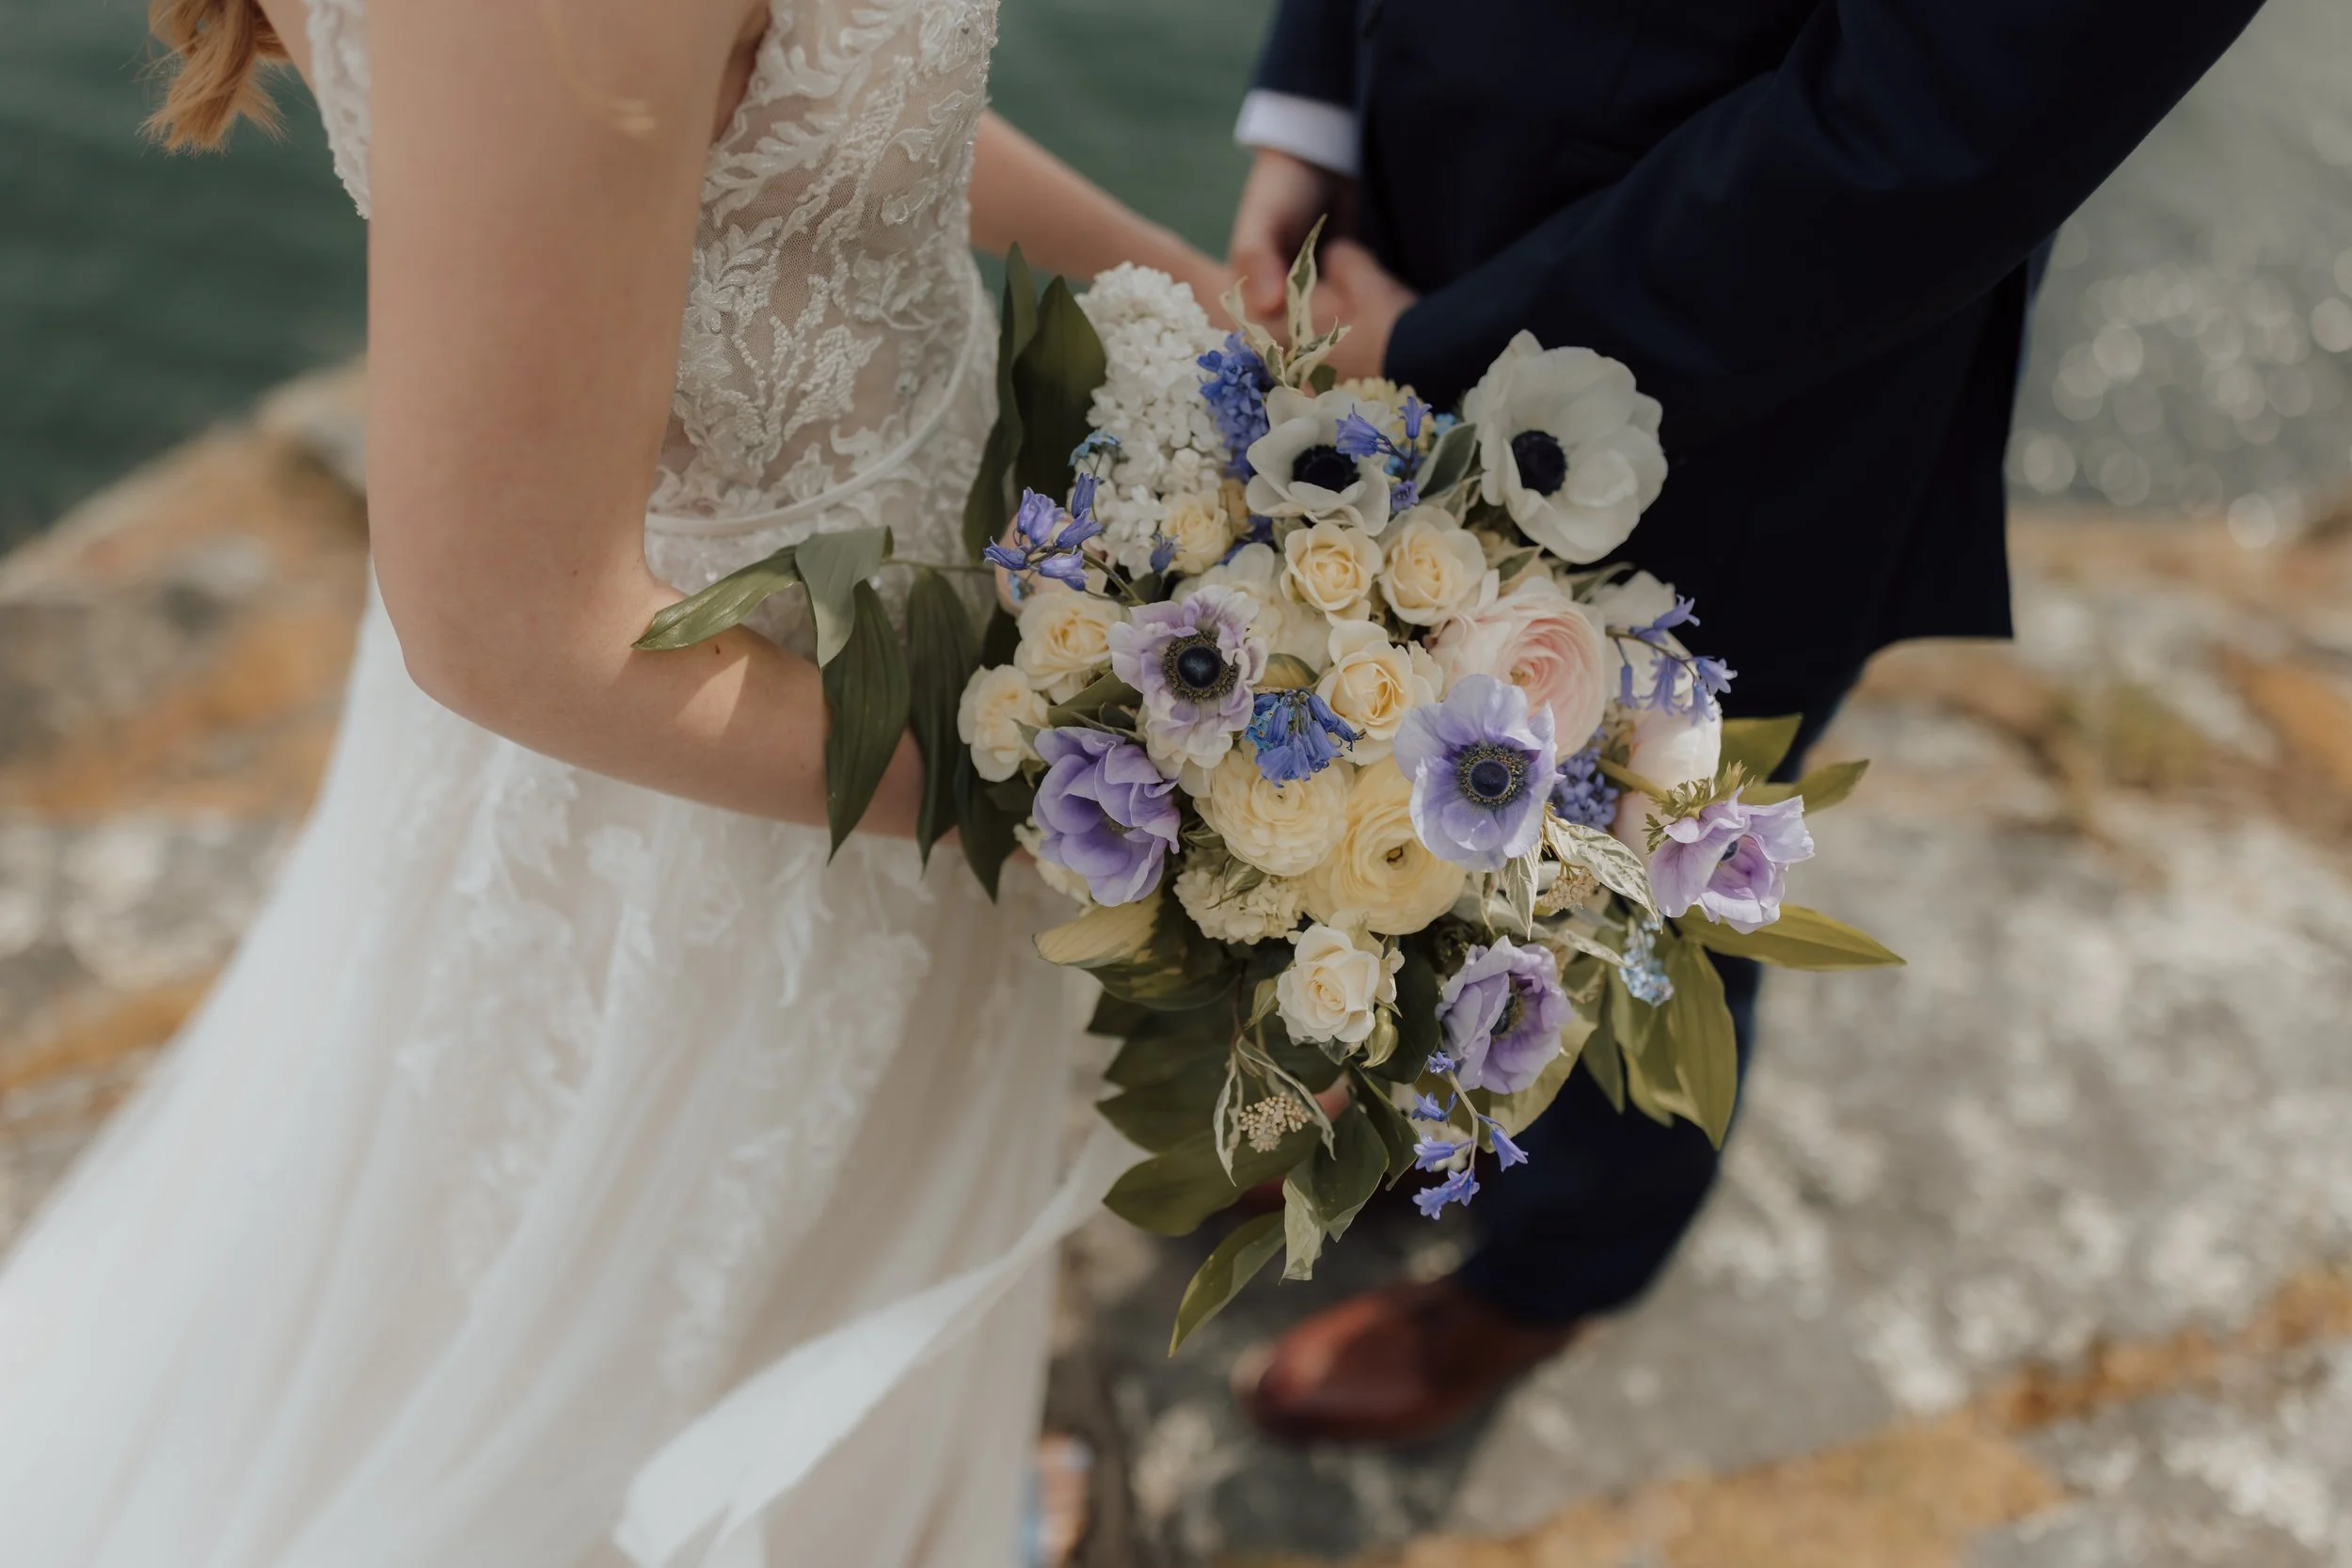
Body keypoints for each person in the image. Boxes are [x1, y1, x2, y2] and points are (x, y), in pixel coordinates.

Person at [0, 1, 1228, 1562]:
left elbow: (789, 115)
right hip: (750, 732)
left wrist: (1175, 281)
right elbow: (516, 630)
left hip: (903, 673)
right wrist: (1077, 796)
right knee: (661, 1223)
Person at [1222, 0, 2270, 1444]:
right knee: (1400, 750)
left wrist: (1458, 352)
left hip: (1750, 360)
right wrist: (1316, 100)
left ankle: (1555, 1269)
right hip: (1403, 204)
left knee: (1652, 869)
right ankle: (1424, 1101)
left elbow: (1955, 112)